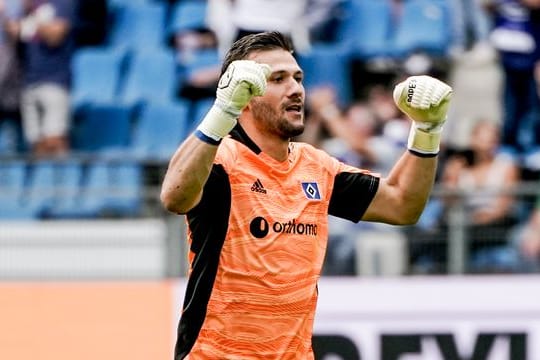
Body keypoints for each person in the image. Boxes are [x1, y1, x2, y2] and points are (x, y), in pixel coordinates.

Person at [160, 31, 452, 359]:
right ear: (245, 92)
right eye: (278, 79)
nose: (296, 89)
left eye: (298, 78)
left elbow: (402, 205)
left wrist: (427, 131)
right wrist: (223, 110)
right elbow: (174, 196)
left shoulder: (315, 166)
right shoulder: (221, 160)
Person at [4, 0, 75, 156]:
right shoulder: (28, 9)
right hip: (28, 82)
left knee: (54, 140)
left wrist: (31, 23)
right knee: (35, 145)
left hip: (54, 81)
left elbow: (56, 35)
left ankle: (62, 178)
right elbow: (14, 31)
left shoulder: (61, 4)